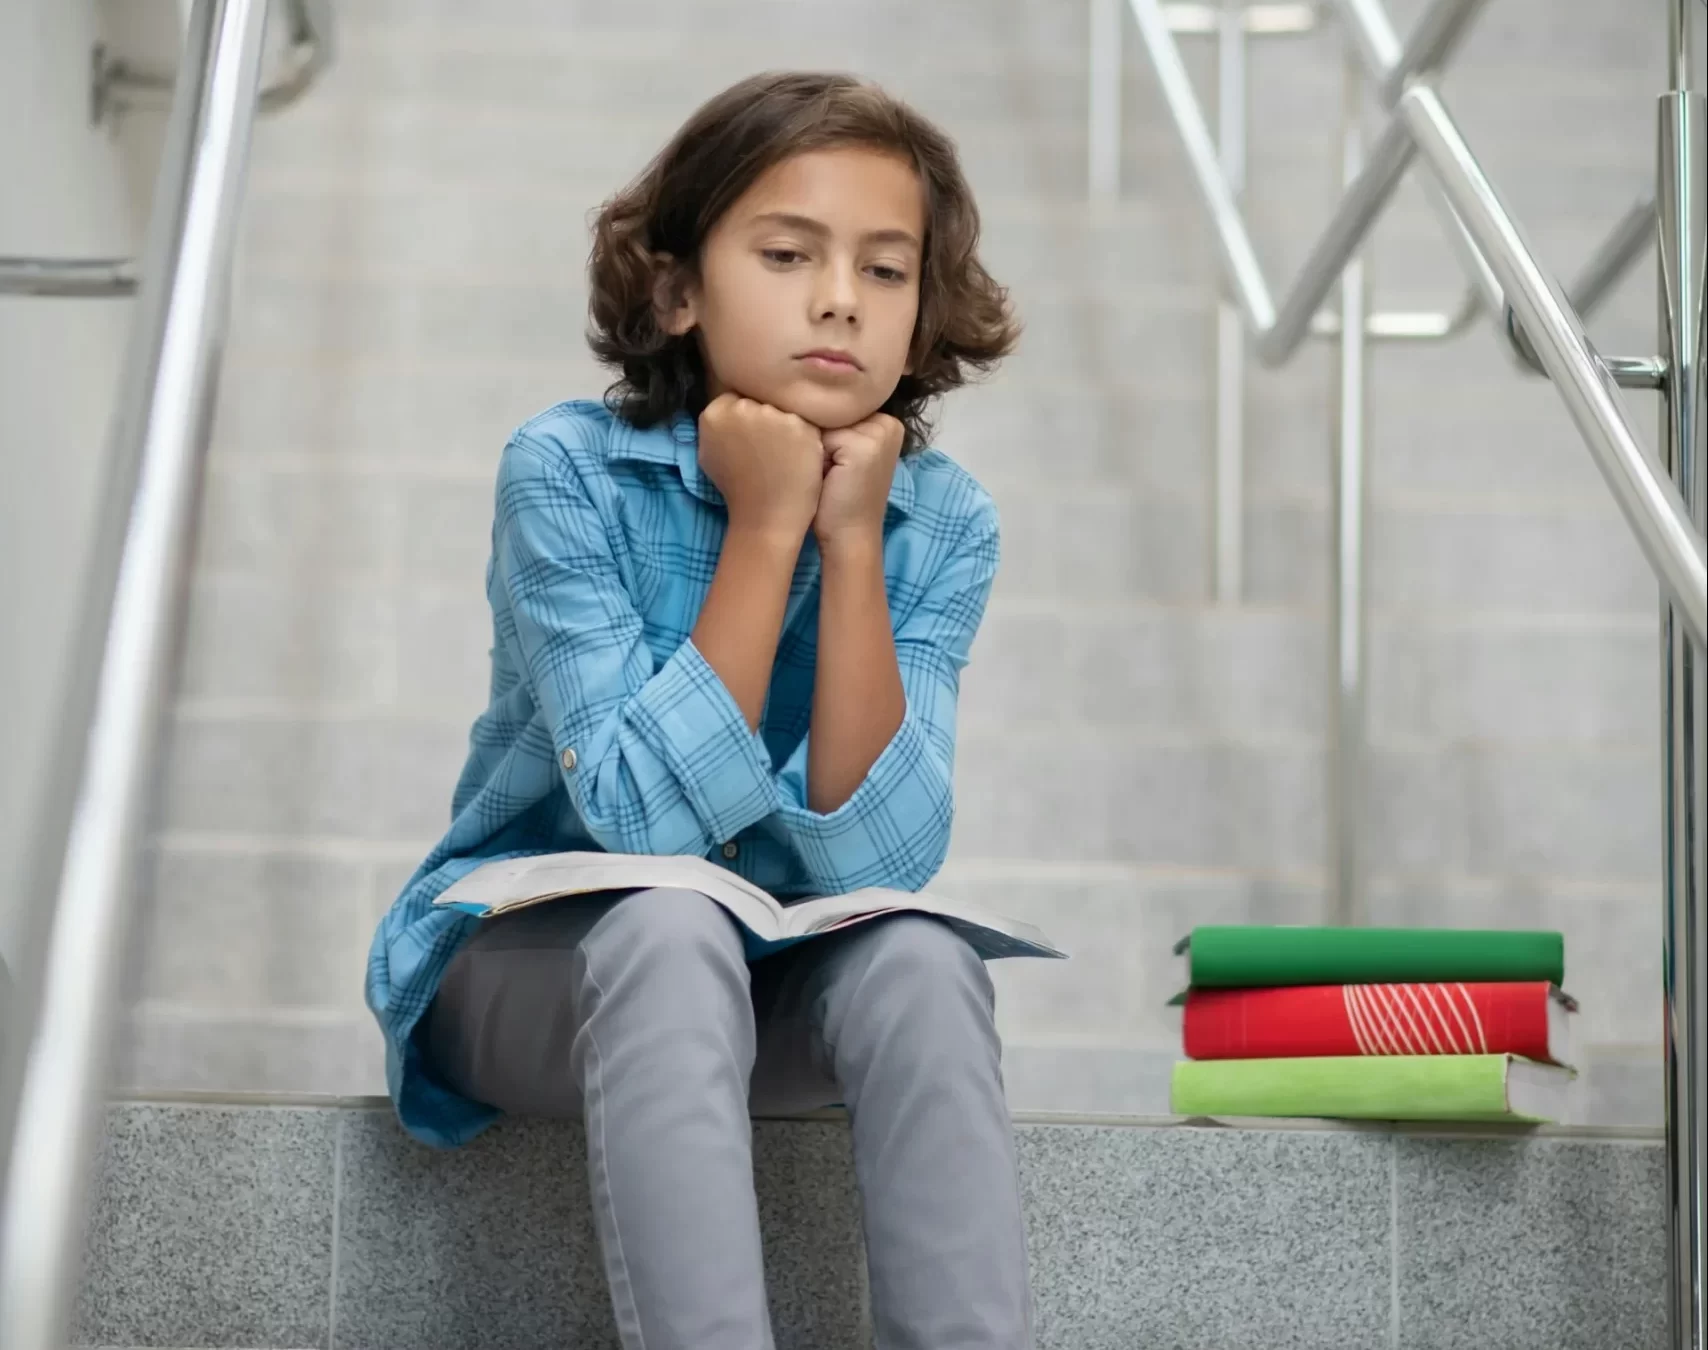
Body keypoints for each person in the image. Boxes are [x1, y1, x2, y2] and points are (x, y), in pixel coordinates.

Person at [365, 70, 1029, 1349]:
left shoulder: (943, 522)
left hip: (772, 976)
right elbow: (640, 821)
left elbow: (881, 860)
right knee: (670, 926)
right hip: (538, 975)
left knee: (925, 960)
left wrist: (848, 543)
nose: (841, 295)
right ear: (677, 291)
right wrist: (768, 523)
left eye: (887, 272)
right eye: (788, 254)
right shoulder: (566, 469)